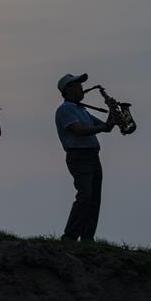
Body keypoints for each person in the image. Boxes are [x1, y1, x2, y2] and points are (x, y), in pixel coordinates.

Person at [54, 73, 116, 242]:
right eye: (78, 85)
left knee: (94, 197)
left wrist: (112, 109)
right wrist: (103, 127)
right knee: (85, 195)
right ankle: (70, 236)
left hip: (91, 156)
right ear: (68, 90)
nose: (82, 88)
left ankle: (87, 237)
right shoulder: (65, 109)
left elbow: (108, 126)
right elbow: (78, 130)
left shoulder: (81, 110)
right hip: (79, 156)